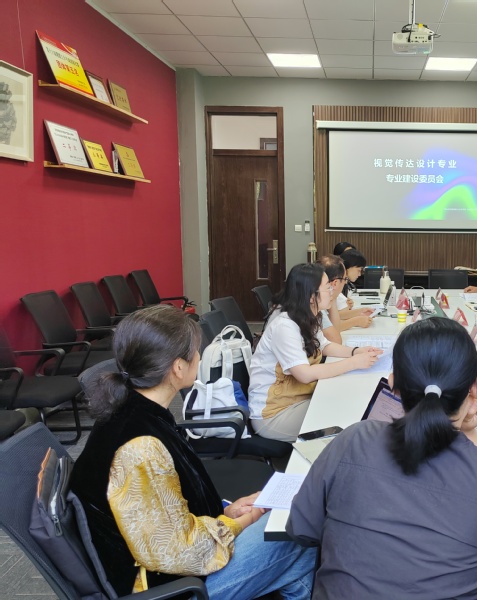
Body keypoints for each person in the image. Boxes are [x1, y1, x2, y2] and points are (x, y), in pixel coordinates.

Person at [70, 306, 316, 599]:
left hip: (175, 562)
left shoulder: (132, 411)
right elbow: (178, 553)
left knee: (293, 547)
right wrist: (240, 523)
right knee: (299, 533)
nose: (199, 357)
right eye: (197, 351)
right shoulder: (140, 448)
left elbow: (167, 508)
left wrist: (226, 510)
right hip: (171, 587)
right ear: (178, 367)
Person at [287, 317, 477, 599]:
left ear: (393, 384)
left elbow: (302, 529)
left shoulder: (354, 439)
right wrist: (470, 431)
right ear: (476, 389)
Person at [248, 263, 382, 441]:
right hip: (275, 413)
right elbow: (304, 374)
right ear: (312, 296)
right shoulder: (285, 326)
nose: (332, 291)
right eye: (327, 287)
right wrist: (353, 363)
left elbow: (325, 346)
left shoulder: (310, 315)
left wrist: (356, 352)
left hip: (297, 398)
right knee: (346, 417)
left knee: (347, 403)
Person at [317, 254, 372, 344]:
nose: (345, 282)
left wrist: (333, 297)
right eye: (345, 279)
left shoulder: (317, 299)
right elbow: (335, 340)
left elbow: (336, 329)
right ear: (335, 283)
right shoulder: (316, 305)